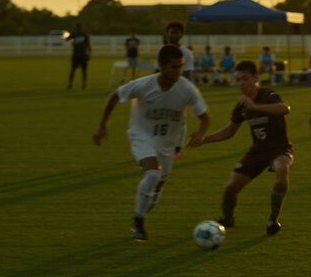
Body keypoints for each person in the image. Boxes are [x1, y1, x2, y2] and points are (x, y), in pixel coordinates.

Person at [92, 45, 210, 241]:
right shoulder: (144, 84)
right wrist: (102, 125)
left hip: (167, 143)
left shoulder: (187, 89)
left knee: (158, 186)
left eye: (180, 66)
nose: (178, 71)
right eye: (173, 67)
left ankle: (141, 215)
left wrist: (201, 133)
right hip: (141, 136)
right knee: (152, 174)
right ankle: (138, 220)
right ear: (161, 66)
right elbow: (115, 95)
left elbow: (204, 117)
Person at [192, 60, 293, 236]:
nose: (241, 83)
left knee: (282, 167)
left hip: (279, 148)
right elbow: (230, 131)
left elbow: (284, 108)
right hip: (257, 151)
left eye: (244, 79)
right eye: (237, 80)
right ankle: (228, 219)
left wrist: (256, 107)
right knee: (230, 189)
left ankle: (272, 220)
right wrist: (204, 139)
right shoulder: (241, 105)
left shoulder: (267, 95)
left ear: (256, 78)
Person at [164, 20, 195, 158]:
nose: (174, 35)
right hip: (164, 90)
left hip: (179, 90)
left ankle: (177, 149)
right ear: (167, 34)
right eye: (172, 32)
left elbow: (187, 73)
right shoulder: (164, 51)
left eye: (177, 32)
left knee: (180, 119)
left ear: (182, 35)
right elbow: (157, 71)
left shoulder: (186, 53)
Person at [66, 22, 92, 89]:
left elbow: (88, 45)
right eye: (77, 27)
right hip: (76, 55)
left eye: (79, 27)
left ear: (81, 28)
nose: (78, 29)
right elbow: (67, 39)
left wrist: (89, 53)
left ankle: (84, 84)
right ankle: (70, 84)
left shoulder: (85, 35)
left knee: (84, 71)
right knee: (72, 70)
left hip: (83, 55)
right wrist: (72, 32)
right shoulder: (74, 35)